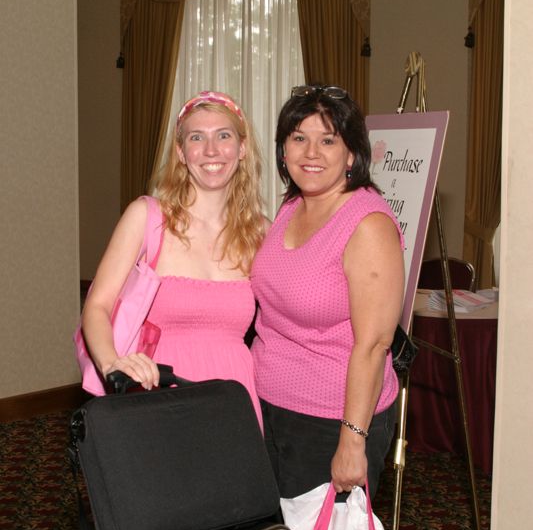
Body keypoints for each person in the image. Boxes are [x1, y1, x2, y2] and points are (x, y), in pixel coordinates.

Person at [250, 84, 405, 497]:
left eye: (327, 140)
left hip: (331, 420)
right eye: (299, 138)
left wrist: (353, 440)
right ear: (284, 150)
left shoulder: (368, 225)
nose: (311, 153)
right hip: (266, 407)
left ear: (352, 153)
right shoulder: (291, 206)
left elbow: (374, 344)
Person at [81, 90, 267, 428]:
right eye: (197, 137)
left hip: (235, 405)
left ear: (241, 149)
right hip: (159, 398)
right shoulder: (147, 217)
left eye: (223, 135)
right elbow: (97, 306)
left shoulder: (260, 235)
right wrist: (111, 365)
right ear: (181, 153)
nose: (211, 150)